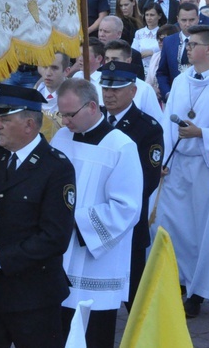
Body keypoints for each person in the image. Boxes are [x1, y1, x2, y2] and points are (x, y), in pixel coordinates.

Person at [0, 84, 76, 348]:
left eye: (5, 119)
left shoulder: (56, 168)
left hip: (34, 295)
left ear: (29, 124)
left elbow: (55, 237)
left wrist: (0, 258)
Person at [149, 25, 209, 318]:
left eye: (194, 44)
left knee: (202, 231)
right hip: (175, 166)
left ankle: (198, 293)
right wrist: (161, 159)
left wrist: (202, 133)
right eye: (188, 43)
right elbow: (166, 122)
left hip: (205, 168)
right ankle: (173, 283)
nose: (188, 48)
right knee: (171, 225)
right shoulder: (179, 81)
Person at [51, 78, 142, 348]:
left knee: (92, 335)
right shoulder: (61, 137)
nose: (65, 121)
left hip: (96, 259)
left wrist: (73, 220)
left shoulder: (121, 147)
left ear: (92, 106)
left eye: (70, 114)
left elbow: (127, 208)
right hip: (58, 251)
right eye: (62, 114)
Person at [98, 61, 164, 312]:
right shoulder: (95, 121)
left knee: (135, 293)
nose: (109, 94)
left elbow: (149, 179)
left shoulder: (147, 128)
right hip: (97, 218)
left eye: (116, 89)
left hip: (128, 222)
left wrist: (114, 204)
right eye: (105, 88)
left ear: (133, 91)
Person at [132, 3, 162, 75]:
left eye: (152, 15)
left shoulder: (163, 33)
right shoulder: (139, 33)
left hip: (157, 69)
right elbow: (133, 51)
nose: (149, 18)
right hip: (141, 69)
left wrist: (153, 53)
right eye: (147, 15)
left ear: (159, 16)